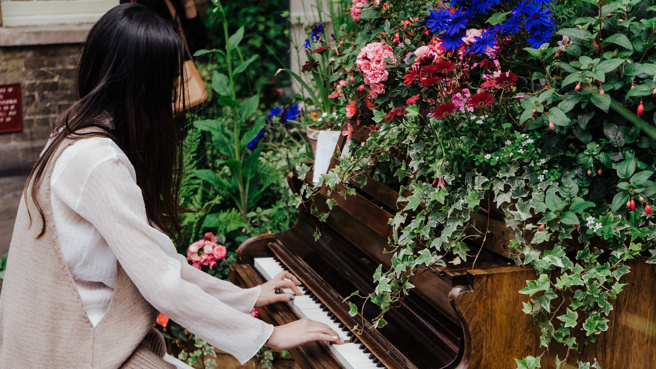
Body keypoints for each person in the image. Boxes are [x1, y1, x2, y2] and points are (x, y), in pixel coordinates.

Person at [0, 4, 341, 368]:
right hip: (82, 351)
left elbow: (160, 263)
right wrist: (269, 336)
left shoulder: (72, 134)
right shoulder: (98, 161)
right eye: (169, 81)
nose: (174, 96)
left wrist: (248, 297)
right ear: (144, 85)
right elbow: (163, 282)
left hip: (64, 345)